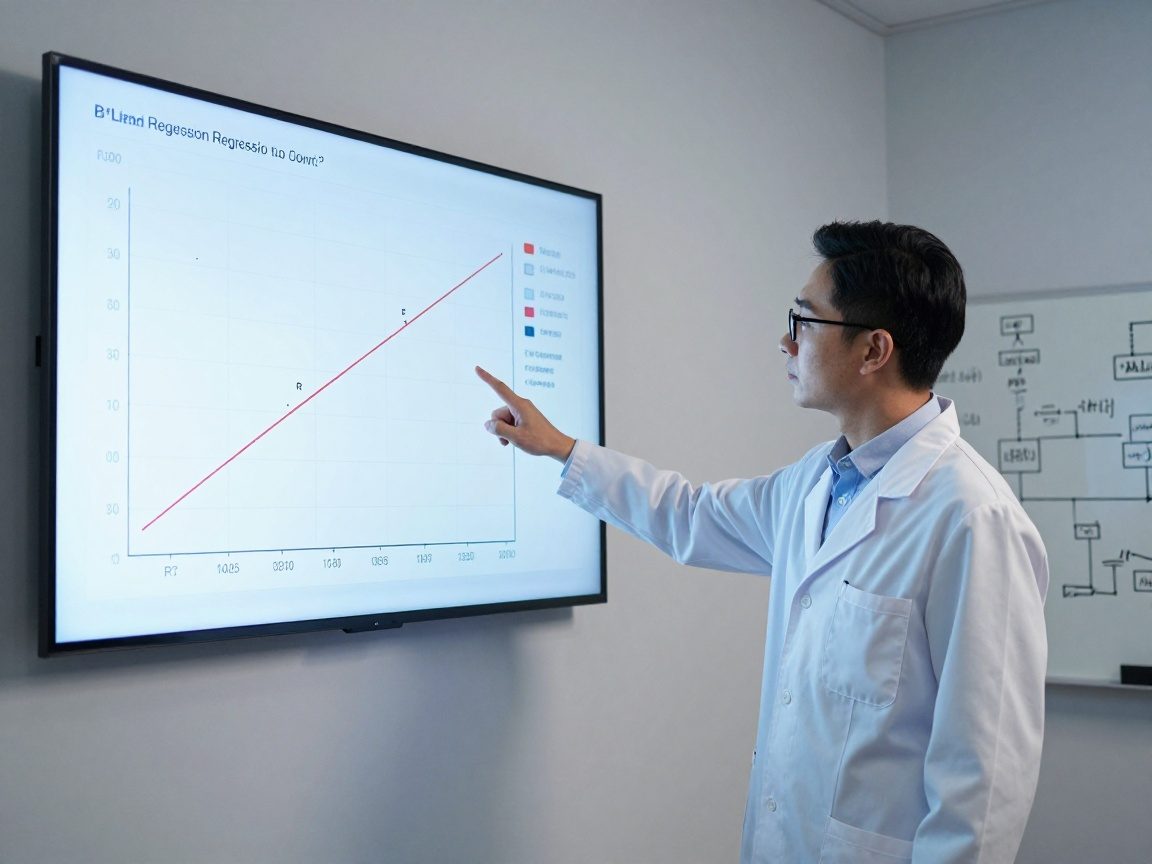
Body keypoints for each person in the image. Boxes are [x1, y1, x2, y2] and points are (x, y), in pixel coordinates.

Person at [476, 220, 1049, 864]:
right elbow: (690, 515)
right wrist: (561, 450)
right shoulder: (817, 483)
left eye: (804, 321)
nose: (786, 340)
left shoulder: (973, 518)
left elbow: (987, 779)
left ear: (873, 350)